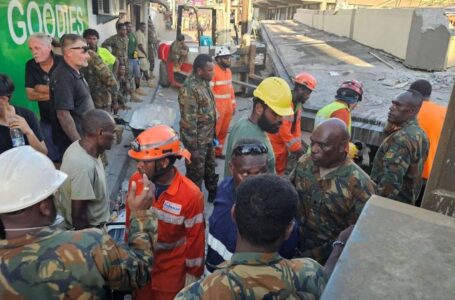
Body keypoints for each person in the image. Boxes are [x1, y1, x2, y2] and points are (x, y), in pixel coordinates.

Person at [0, 146, 157, 298]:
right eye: (53, 194)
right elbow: (139, 271)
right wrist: (141, 214)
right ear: (44, 207)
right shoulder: (90, 245)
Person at [176, 174, 339, 299]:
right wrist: (339, 244)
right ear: (289, 229)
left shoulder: (198, 293)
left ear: (233, 214)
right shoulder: (309, 273)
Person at [127, 125, 205, 300]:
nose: (138, 166)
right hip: (142, 273)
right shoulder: (135, 182)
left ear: (164, 162)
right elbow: (128, 227)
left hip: (171, 279)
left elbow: (196, 243)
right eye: (138, 160)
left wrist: (192, 280)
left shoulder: (191, 195)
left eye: (144, 162)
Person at [206, 138, 299, 273]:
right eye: (245, 173)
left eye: (261, 172)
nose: (254, 180)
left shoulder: (278, 209)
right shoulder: (223, 189)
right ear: (231, 168)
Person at [290, 118, 376, 263]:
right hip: (294, 245)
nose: (314, 150)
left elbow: (355, 234)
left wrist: (313, 256)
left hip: (329, 261)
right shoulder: (305, 162)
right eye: (312, 143)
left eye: (323, 145)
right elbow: (289, 194)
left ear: (343, 146)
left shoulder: (360, 184)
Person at [224, 77, 293, 176]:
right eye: (275, 113)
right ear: (259, 108)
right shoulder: (256, 145)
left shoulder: (242, 123)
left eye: (282, 115)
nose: (281, 120)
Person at [59, 110, 116, 230]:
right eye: (113, 132)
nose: (114, 137)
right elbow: (78, 219)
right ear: (100, 132)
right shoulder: (83, 167)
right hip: (94, 232)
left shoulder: (80, 147)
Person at [371, 90, 429, 205]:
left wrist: (375, 204)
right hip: (405, 203)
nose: (391, 108)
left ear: (412, 111)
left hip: (390, 206)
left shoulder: (401, 139)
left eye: (398, 105)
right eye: (393, 103)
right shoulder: (420, 134)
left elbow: (390, 182)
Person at [178, 54, 218, 202]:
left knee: (210, 167)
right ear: (199, 71)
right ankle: (194, 203)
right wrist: (192, 149)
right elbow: (188, 122)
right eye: (210, 70)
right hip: (197, 143)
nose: (212, 73)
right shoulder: (189, 89)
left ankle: (213, 192)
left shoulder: (203, 82)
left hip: (207, 138)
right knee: (195, 175)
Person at [50, 34, 94, 156]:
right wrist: (79, 145)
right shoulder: (63, 76)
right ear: (69, 52)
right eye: (84, 51)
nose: (88, 56)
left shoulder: (74, 71)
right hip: (75, 144)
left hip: (86, 136)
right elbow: (63, 115)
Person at [268, 72, 317, 175]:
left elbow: (296, 130)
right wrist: (297, 149)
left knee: (280, 171)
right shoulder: (285, 102)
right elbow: (283, 130)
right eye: (308, 93)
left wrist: (298, 146)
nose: (308, 97)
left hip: (282, 145)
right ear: (300, 89)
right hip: (273, 144)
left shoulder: (297, 105)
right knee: (271, 171)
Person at [25, 33, 62, 161]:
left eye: (37, 48)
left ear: (48, 47)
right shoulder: (31, 65)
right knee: (51, 157)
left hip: (66, 119)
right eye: (31, 49)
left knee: (68, 154)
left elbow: (70, 92)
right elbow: (30, 95)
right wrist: (56, 92)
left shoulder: (62, 62)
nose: (33, 52)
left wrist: (40, 88)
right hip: (46, 121)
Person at [0, 73, 47, 154]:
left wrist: (28, 132)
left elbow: (43, 152)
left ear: (3, 99)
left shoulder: (27, 115)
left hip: (26, 165)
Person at [411, 80, 447, 182]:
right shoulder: (443, 112)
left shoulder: (407, 111)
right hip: (433, 173)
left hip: (410, 173)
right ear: (429, 95)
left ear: (411, 94)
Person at [102, 23, 140, 103]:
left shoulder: (126, 38)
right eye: (123, 30)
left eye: (125, 29)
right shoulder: (114, 39)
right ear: (118, 30)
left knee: (128, 79)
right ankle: (117, 101)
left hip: (126, 62)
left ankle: (127, 97)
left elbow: (133, 48)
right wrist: (111, 55)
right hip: (118, 64)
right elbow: (104, 44)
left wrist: (135, 57)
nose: (125, 31)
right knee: (117, 81)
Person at [211, 45, 236, 159]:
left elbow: (231, 89)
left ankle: (218, 152)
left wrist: (233, 105)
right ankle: (210, 156)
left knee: (223, 132)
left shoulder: (228, 71)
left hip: (227, 108)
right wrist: (213, 109)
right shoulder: (213, 72)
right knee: (214, 133)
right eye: (225, 58)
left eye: (229, 57)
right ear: (218, 59)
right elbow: (210, 92)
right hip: (218, 108)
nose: (228, 60)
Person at [81, 47, 119, 113]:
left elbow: (111, 81)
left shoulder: (91, 56)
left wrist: (115, 101)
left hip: (100, 101)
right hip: (85, 101)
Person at [136, 22, 153, 86]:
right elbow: (140, 45)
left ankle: (139, 84)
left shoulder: (141, 33)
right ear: (140, 27)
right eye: (143, 27)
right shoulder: (139, 34)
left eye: (145, 27)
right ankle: (149, 82)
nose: (144, 28)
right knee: (145, 68)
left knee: (140, 70)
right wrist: (145, 53)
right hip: (140, 54)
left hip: (140, 55)